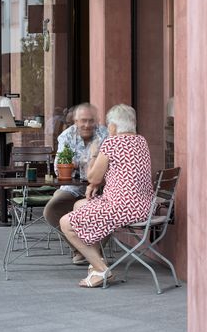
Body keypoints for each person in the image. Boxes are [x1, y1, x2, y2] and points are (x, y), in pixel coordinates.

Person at [60, 104, 153, 287]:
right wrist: (95, 185)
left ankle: (102, 270)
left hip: (123, 207)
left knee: (66, 222)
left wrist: (94, 154)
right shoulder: (141, 141)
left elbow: (92, 176)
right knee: (81, 205)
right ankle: (96, 265)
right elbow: (121, 172)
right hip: (143, 205)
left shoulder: (112, 143)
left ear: (113, 126)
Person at [43, 103, 108, 264]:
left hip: (100, 187)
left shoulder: (105, 134)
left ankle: (94, 252)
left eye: (91, 121)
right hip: (72, 187)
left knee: (108, 209)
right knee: (51, 210)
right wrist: (88, 161)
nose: (87, 125)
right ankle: (79, 249)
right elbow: (60, 168)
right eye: (83, 121)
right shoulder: (66, 136)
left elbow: (111, 164)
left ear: (97, 120)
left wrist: (79, 162)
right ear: (75, 121)